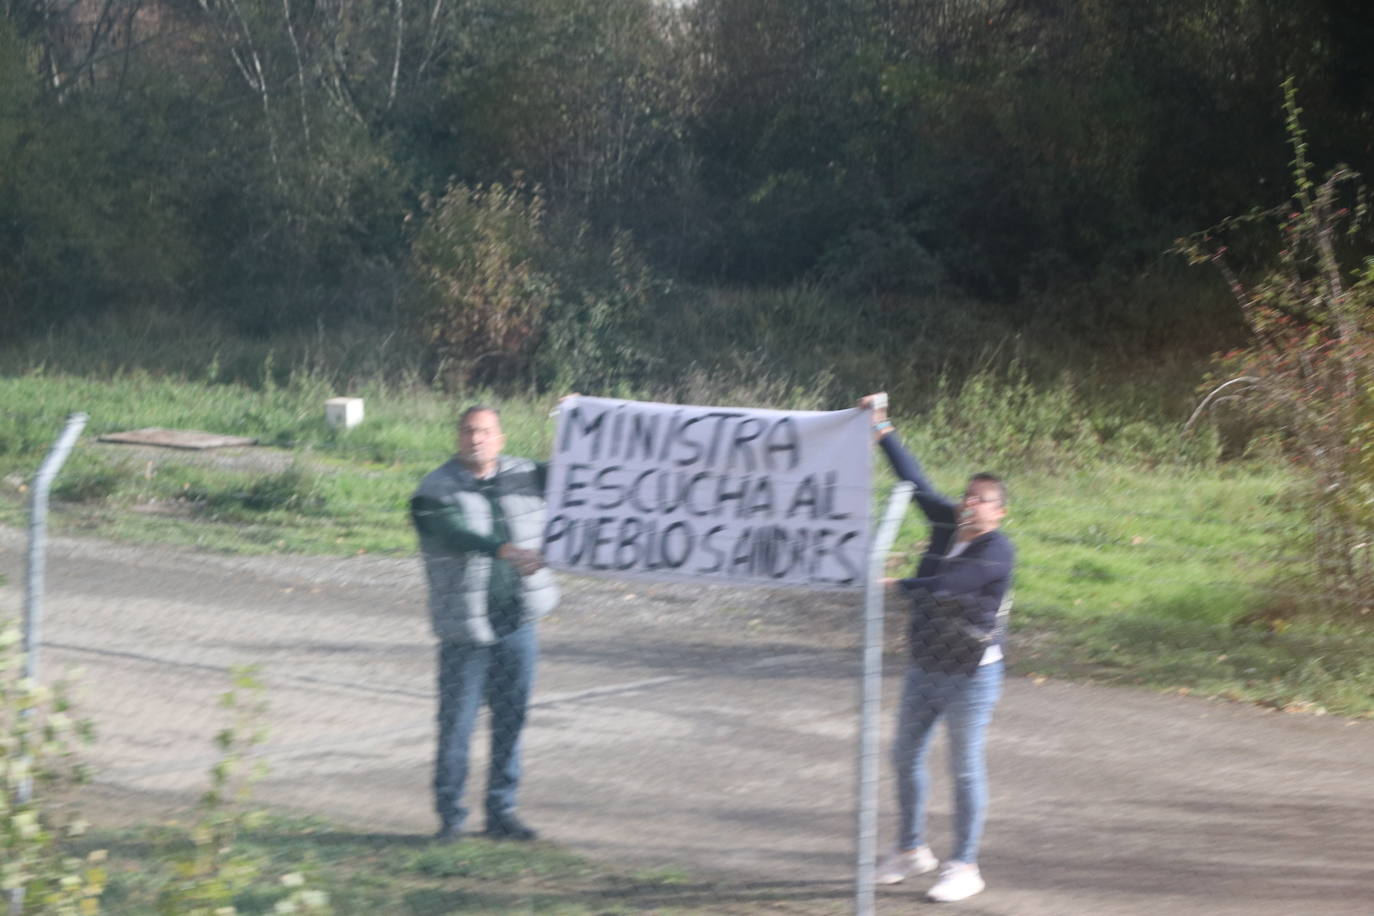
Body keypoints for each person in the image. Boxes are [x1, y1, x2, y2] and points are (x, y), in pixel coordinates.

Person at [860, 393, 1014, 903]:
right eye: (968, 496)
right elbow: (914, 479)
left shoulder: (997, 551)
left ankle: (965, 865)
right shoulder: (947, 522)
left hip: (971, 675)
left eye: (982, 499)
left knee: (964, 766)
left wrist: (895, 583)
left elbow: (950, 588)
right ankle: (911, 850)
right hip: (925, 665)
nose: (970, 504)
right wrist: (882, 427)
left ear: (1000, 512)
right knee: (904, 754)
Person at [411, 405, 559, 841]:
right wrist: (506, 550)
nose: (476, 439)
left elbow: (578, 475)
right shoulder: (433, 490)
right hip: (467, 632)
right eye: (468, 431)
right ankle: (451, 820)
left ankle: (501, 812)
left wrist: (577, 420)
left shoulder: (525, 475)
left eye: (485, 432)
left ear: (501, 438)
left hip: (518, 623)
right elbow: (452, 533)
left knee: (511, 723)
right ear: (458, 438)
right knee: (457, 727)